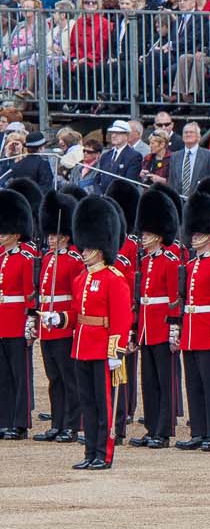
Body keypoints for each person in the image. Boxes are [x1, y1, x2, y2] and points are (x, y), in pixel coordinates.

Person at [65, 195, 132, 471]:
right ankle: (90, 450)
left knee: (104, 406)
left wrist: (116, 352)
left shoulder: (114, 279)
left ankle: (104, 454)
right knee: (88, 404)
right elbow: (76, 314)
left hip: (103, 348)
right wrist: (59, 318)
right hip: (81, 346)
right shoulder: (81, 278)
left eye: (89, 246)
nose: (84, 250)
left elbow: (121, 319)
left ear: (101, 248)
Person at [173, 192, 210, 452]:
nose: (193, 238)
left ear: (209, 235)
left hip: (208, 329)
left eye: (198, 235)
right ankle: (198, 430)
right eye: (192, 234)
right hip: (191, 329)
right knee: (193, 383)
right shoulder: (191, 264)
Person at [129, 188, 184, 448]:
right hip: (147, 328)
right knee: (149, 381)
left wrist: (174, 328)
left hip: (162, 327)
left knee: (165, 380)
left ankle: (164, 429)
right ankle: (151, 426)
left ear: (159, 236)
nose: (143, 238)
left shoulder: (170, 261)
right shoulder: (146, 261)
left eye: (147, 234)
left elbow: (175, 298)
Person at [32, 190, 81, 443]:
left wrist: (63, 318)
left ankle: (72, 425)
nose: (51, 240)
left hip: (63, 325)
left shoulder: (74, 260)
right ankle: (57, 422)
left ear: (66, 236)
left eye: (56, 235)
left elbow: (76, 297)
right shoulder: (47, 258)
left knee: (68, 378)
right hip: (47, 326)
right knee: (53, 379)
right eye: (50, 235)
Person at [0, 183, 35, 439]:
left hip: (16, 320)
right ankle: (4, 419)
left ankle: (20, 422)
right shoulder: (2, 256)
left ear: (16, 233)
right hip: (2, 320)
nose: (1, 236)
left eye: (5, 232)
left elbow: (29, 295)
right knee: (3, 375)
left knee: (19, 373)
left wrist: (29, 322)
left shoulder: (25, 257)